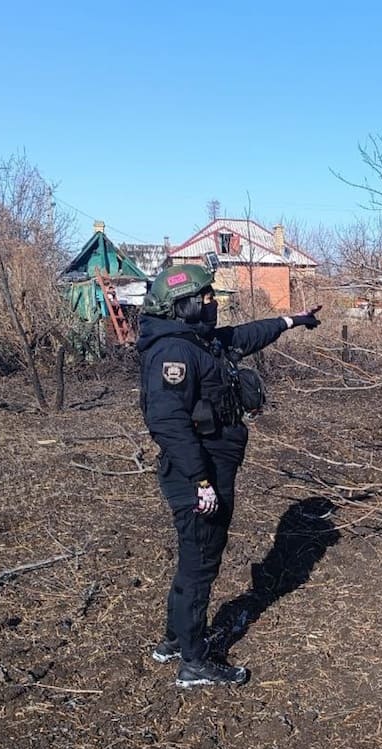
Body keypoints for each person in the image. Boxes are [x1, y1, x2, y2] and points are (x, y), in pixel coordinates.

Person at [136, 264, 320, 687]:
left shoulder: (198, 341)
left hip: (210, 468)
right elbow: (166, 422)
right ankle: (195, 661)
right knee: (201, 562)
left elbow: (246, 336)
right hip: (199, 474)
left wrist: (292, 320)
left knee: (193, 557)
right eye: (204, 298)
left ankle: (174, 641)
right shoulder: (174, 353)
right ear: (181, 306)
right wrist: (202, 481)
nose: (211, 304)